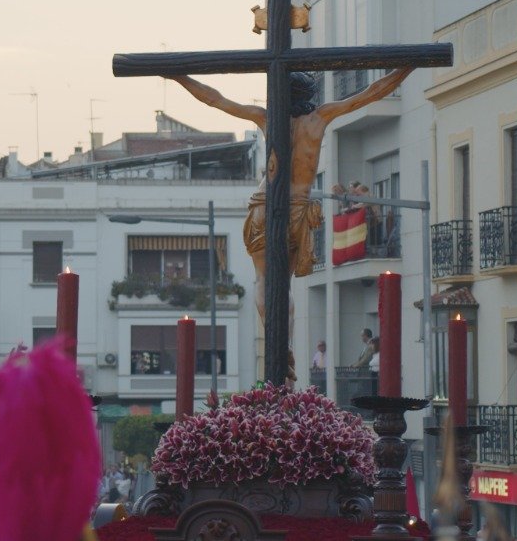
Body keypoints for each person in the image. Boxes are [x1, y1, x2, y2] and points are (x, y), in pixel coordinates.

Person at [167, 67, 416, 383]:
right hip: (297, 208)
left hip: (264, 204)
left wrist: (180, 78)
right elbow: (372, 92)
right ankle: (282, 347)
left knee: (262, 278)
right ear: (309, 95)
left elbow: (215, 100)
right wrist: (408, 67)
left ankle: (277, 344)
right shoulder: (321, 118)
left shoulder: (266, 117)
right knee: (282, 285)